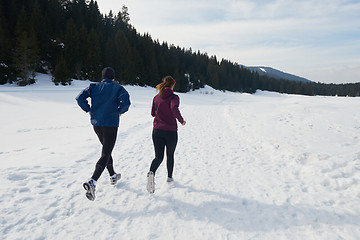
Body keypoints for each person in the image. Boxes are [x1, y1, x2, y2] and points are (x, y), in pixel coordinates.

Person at [76, 67, 130, 201]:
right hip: (110, 124)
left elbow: (79, 98)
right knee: (106, 152)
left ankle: (112, 176)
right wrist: (120, 111)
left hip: (96, 123)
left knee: (106, 150)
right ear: (113, 77)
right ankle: (92, 181)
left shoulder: (93, 86)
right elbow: (126, 102)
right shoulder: (118, 88)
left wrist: (88, 109)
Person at [147, 76, 186, 193]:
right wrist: (181, 120)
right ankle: (169, 178)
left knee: (158, 156)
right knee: (170, 154)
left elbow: (152, 113)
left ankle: (151, 173)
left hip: (157, 130)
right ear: (172, 85)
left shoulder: (156, 97)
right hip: (170, 131)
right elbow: (174, 107)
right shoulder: (174, 97)